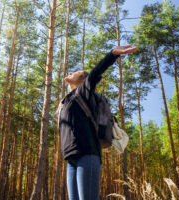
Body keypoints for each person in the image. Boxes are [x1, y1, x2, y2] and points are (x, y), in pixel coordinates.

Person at [55, 45, 137, 200]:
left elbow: (95, 73)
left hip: (87, 154)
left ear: (83, 80)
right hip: (70, 158)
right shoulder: (66, 101)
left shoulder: (82, 93)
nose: (70, 72)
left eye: (76, 72)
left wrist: (112, 54)